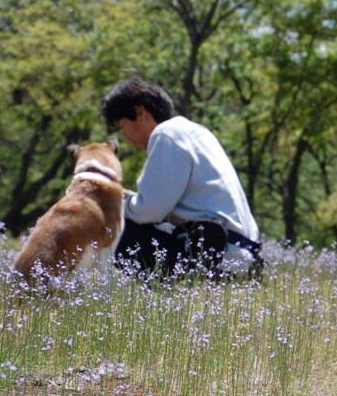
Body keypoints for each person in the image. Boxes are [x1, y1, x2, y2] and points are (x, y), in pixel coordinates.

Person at [100, 77, 262, 277]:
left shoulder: (166, 134)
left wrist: (117, 200)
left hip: (217, 256)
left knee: (107, 223)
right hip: (238, 254)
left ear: (140, 112)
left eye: (123, 125)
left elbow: (149, 211)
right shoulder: (195, 132)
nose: (125, 136)